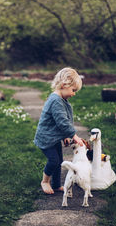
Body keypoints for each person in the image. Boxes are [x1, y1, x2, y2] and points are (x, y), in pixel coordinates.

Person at [34, 67, 84, 195]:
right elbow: (62, 122)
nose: (74, 94)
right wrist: (73, 135)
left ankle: (56, 185)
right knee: (54, 161)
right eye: (73, 90)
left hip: (53, 137)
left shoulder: (61, 99)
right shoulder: (55, 101)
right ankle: (45, 181)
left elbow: (58, 123)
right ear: (64, 85)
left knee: (59, 161)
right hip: (46, 138)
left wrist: (64, 137)